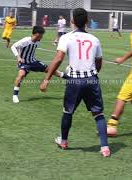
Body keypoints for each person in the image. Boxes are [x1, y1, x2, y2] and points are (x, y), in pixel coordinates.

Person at [40, 8, 110, 157]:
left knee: (68, 112)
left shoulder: (66, 37)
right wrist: (91, 75)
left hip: (74, 82)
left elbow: (58, 59)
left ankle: (64, 141)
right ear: (87, 22)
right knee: (98, 114)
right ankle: (105, 147)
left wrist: (47, 79)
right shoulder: (95, 39)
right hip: (91, 80)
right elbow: (99, 64)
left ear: (72, 21)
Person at [11, 26, 67, 103]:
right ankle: (15, 96)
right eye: (41, 35)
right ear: (37, 34)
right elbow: (13, 46)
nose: (42, 37)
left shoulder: (37, 41)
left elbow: (22, 49)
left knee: (51, 70)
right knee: (21, 75)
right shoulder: (26, 40)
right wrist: (18, 57)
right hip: (25, 63)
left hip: (33, 62)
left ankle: (70, 78)